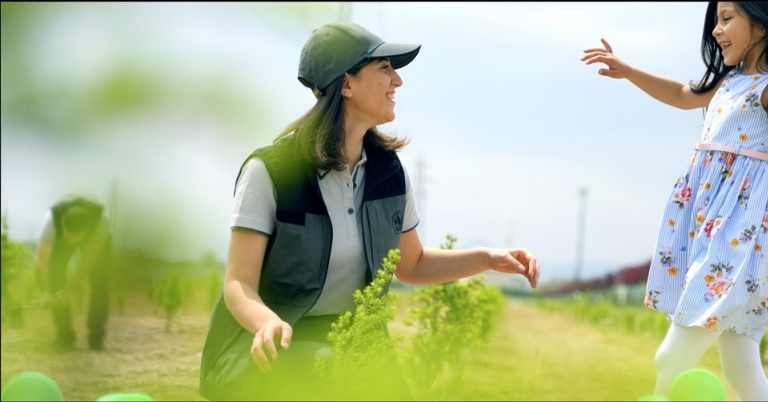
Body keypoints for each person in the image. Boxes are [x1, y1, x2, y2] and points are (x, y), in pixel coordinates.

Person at [199, 22, 541, 401]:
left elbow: (412, 264)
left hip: (355, 342)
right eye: (384, 69)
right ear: (346, 85)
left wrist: (488, 258)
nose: (398, 81)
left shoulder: (388, 173)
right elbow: (238, 284)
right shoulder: (270, 171)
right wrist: (266, 323)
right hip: (279, 342)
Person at [581, 2, 768, 400]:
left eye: (727, 18)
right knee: (742, 371)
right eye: (717, 19)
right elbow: (683, 94)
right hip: (714, 231)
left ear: (764, 24)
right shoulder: (729, 82)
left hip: (739, 239)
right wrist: (629, 72)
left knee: (670, 358)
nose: (717, 30)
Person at [35, 194, 113, 352]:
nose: (73, 241)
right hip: (60, 237)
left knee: (100, 280)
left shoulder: (102, 222)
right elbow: (41, 262)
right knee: (55, 273)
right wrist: (45, 292)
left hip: (94, 240)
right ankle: (64, 336)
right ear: (63, 222)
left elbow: (86, 263)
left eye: (77, 237)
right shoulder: (50, 221)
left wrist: (67, 292)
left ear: (85, 231)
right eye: (69, 235)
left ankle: (96, 339)